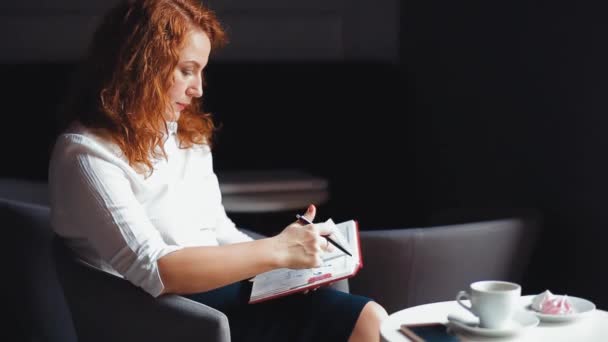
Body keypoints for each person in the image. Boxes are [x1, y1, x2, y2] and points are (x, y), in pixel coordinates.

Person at [49, 1, 388, 341]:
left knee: (369, 316)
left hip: (218, 294)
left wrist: (288, 254)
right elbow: (154, 269)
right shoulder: (85, 155)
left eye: (201, 71)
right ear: (139, 65)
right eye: (186, 70)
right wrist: (276, 251)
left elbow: (217, 229)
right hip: (164, 316)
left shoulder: (184, 135)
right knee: (363, 322)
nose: (198, 88)